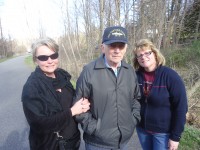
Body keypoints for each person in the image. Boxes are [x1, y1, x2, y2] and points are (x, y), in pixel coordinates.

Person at [74, 26, 141, 150]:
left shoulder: (129, 71)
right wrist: (95, 128)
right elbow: (79, 106)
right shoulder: (89, 71)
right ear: (103, 48)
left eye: (120, 46)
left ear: (125, 49)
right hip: (97, 143)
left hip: (123, 141)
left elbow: (136, 99)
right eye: (112, 45)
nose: (117, 50)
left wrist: (132, 121)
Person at [21, 37, 90, 150]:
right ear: (35, 60)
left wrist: (82, 104)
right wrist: (72, 111)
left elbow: (73, 101)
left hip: (72, 142)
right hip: (50, 145)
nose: (50, 61)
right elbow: (39, 124)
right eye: (43, 57)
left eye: (53, 56)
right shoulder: (32, 87)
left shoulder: (62, 76)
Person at [133, 39, 188, 150]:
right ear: (137, 59)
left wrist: (175, 137)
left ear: (155, 54)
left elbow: (181, 107)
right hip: (142, 130)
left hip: (163, 133)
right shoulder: (135, 76)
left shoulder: (170, 76)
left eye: (147, 53)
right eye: (139, 55)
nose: (143, 57)